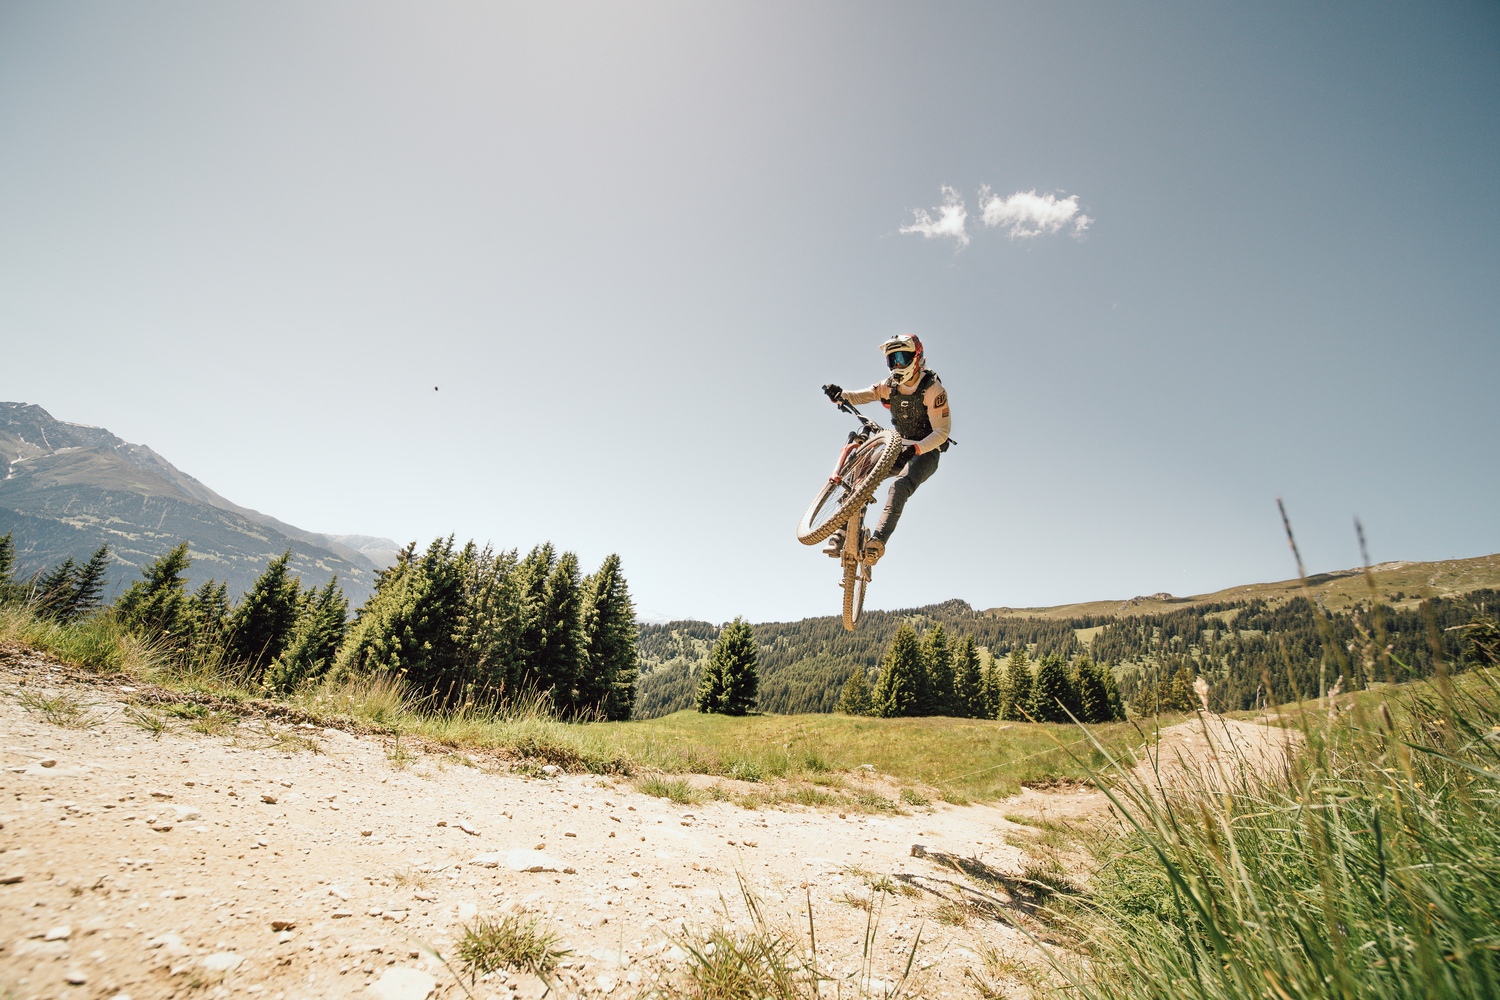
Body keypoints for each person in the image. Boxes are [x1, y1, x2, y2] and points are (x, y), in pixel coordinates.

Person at [822, 334, 951, 566]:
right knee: (860, 470)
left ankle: (877, 543)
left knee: (899, 486)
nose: (897, 365)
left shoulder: (933, 390)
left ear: (917, 357)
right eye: (892, 360)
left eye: (902, 358)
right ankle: (841, 531)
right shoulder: (889, 386)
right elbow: (864, 394)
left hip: (926, 451)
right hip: (898, 446)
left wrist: (917, 449)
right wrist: (841, 396)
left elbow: (942, 433)